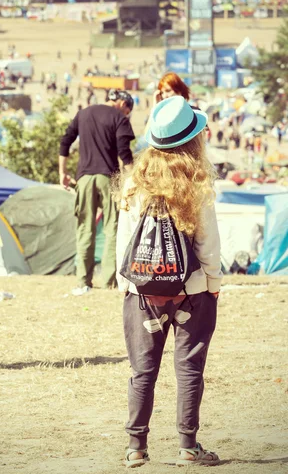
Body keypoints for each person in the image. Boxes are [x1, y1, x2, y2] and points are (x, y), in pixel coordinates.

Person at [116, 96, 222, 468]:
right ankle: (187, 447)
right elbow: (207, 241)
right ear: (192, 139)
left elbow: (124, 239)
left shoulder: (135, 181)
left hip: (142, 291)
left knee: (142, 371)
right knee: (189, 369)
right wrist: (212, 282)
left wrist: (124, 283)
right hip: (191, 292)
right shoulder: (196, 181)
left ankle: (135, 448)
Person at [59, 90, 135, 295]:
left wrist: (62, 172)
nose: (127, 114)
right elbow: (124, 152)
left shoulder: (83, 114)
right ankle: (110, 281)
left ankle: (83, 280)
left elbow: (65, 142)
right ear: (122, 103)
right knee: (112, 229)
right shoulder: (119, 117)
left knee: (85, 228)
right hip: (108, 178)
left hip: (84, 178)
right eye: (128, 110)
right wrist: (133, 180)